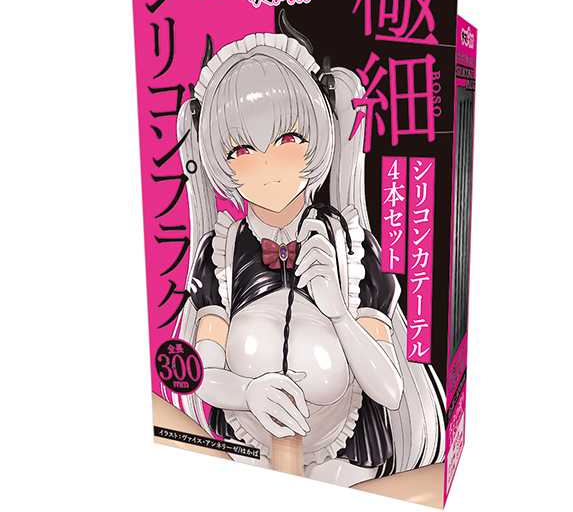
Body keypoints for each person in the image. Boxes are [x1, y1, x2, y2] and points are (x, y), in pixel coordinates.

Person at [172, 28, 445, 487]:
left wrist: (339, 314)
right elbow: (203, 373)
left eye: (286, 139)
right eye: (241, 150)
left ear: (317, 137)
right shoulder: (221, 252)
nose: (266, 164)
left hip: (343, 456)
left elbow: (390, 389)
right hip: (246, 451)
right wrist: (248, 391)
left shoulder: (352, 246)